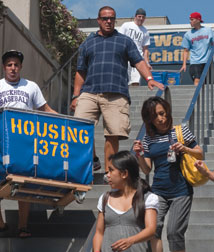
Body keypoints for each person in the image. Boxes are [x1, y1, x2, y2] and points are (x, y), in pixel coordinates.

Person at [70, 6, 164, 181]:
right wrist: (76, 95)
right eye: (105, 18)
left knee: (112, 134)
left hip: (116, 93)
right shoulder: (88, 43)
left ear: (115, 21)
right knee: (79, 129)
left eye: (111, 18)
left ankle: (109, 172)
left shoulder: (124, 41)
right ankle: (92, 160)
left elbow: (139, 61)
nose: (108, 21)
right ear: (98, 20)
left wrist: (149, 78)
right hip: (89, 92)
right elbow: (80, 71)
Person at [0, 50, 56, 238]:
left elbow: (45, 109)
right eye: (9, 65)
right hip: (1, 142)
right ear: (4, 67)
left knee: (23, 182)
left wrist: (71, 122)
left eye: (16, 65)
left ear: (20, 67)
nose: (13, 68)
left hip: (25, 143)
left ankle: (23, 226)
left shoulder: (31, 86)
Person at [133, 96, 203, 252]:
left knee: (174, 232)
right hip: (158, 191)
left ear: (167, 111)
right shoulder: (148, 139)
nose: (160, 118)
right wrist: (140, 155)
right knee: (153, 229)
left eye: (162, 113)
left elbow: (200, 153)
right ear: (149, 120)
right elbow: (146, 170)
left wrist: (185, 149)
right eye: (155, 116)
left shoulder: (181, 131)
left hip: (181, 190)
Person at [93, 150, 158, 252]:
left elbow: (151, 230)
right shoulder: (105, 199)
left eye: (111, 170)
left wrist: (131, 240)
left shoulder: (147, 198)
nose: (107, 175)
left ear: (124, 174)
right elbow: (99, 232)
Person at [119, 8, 152, 86]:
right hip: (125, 56)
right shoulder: (126, 25)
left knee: (135, 81)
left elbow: (145, 49)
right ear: (135, 16)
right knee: (124, 79)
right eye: (139, 16)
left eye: (143, 17)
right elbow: (119, 39)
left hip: (137, 58)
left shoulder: (145, 31)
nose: (141, 19)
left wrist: (147, 63)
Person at [180, 12, 214, 86]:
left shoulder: (208, 30)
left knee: (208, 83)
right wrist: (184, 64)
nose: (190, 21)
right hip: (195, 62)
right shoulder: (188, 34)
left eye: (192, 19)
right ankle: (197, 97)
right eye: (190, 19)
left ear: (198, 20)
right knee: (197, 80)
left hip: (208, 62)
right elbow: (186, 50)